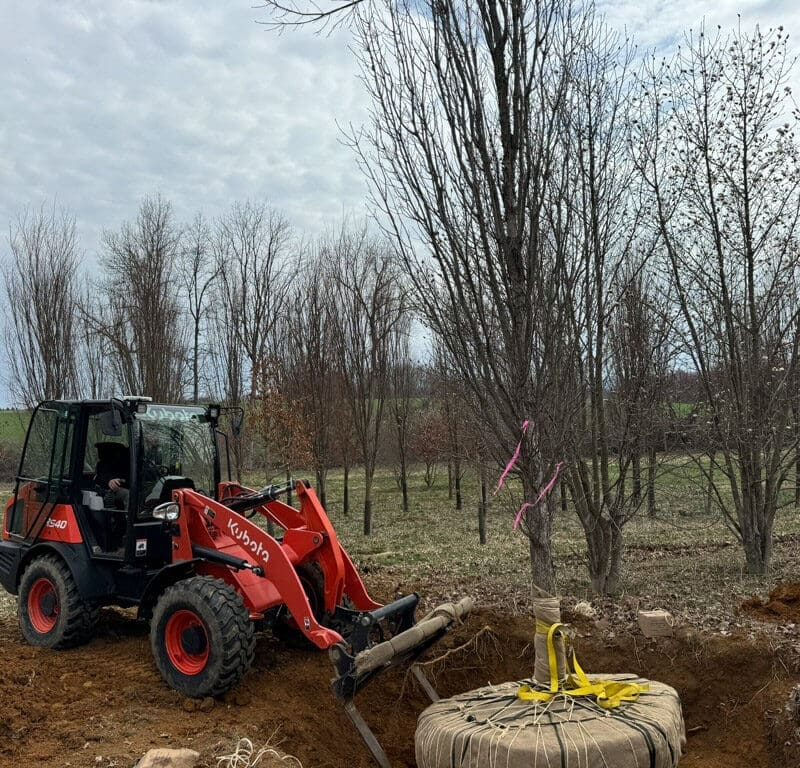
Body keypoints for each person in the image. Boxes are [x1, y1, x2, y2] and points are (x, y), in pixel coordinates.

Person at [94, 442, 130, 509]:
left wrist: (123, 480)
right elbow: (102, 476)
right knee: (127, 494)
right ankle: (129, 517)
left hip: (123, 486)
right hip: (106, 490)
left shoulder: (123, 463)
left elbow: (127, 476)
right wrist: (110, 480)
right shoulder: (101, 464)